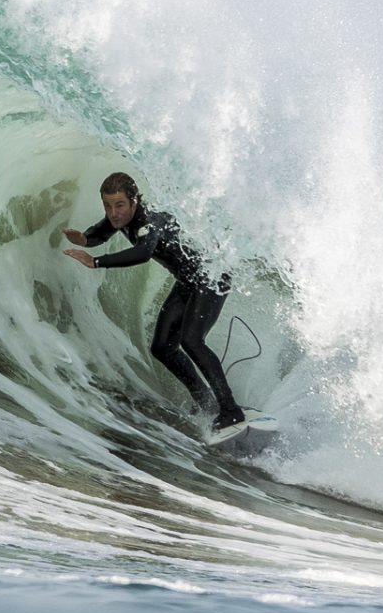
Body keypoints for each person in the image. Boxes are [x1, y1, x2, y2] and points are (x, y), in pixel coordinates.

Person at [62, 171, 246, 435]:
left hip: (211, 275)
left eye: (119, 205)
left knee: (192, 340)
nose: (113, 213)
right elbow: (101, 232)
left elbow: (143, 252)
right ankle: (206, 402)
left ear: (134, 201)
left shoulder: (149, 220)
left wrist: (96, 261)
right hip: (189, 280)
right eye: (107, 206)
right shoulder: (120, 218)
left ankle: (230, 409)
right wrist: (84, 239)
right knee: (162, 347)